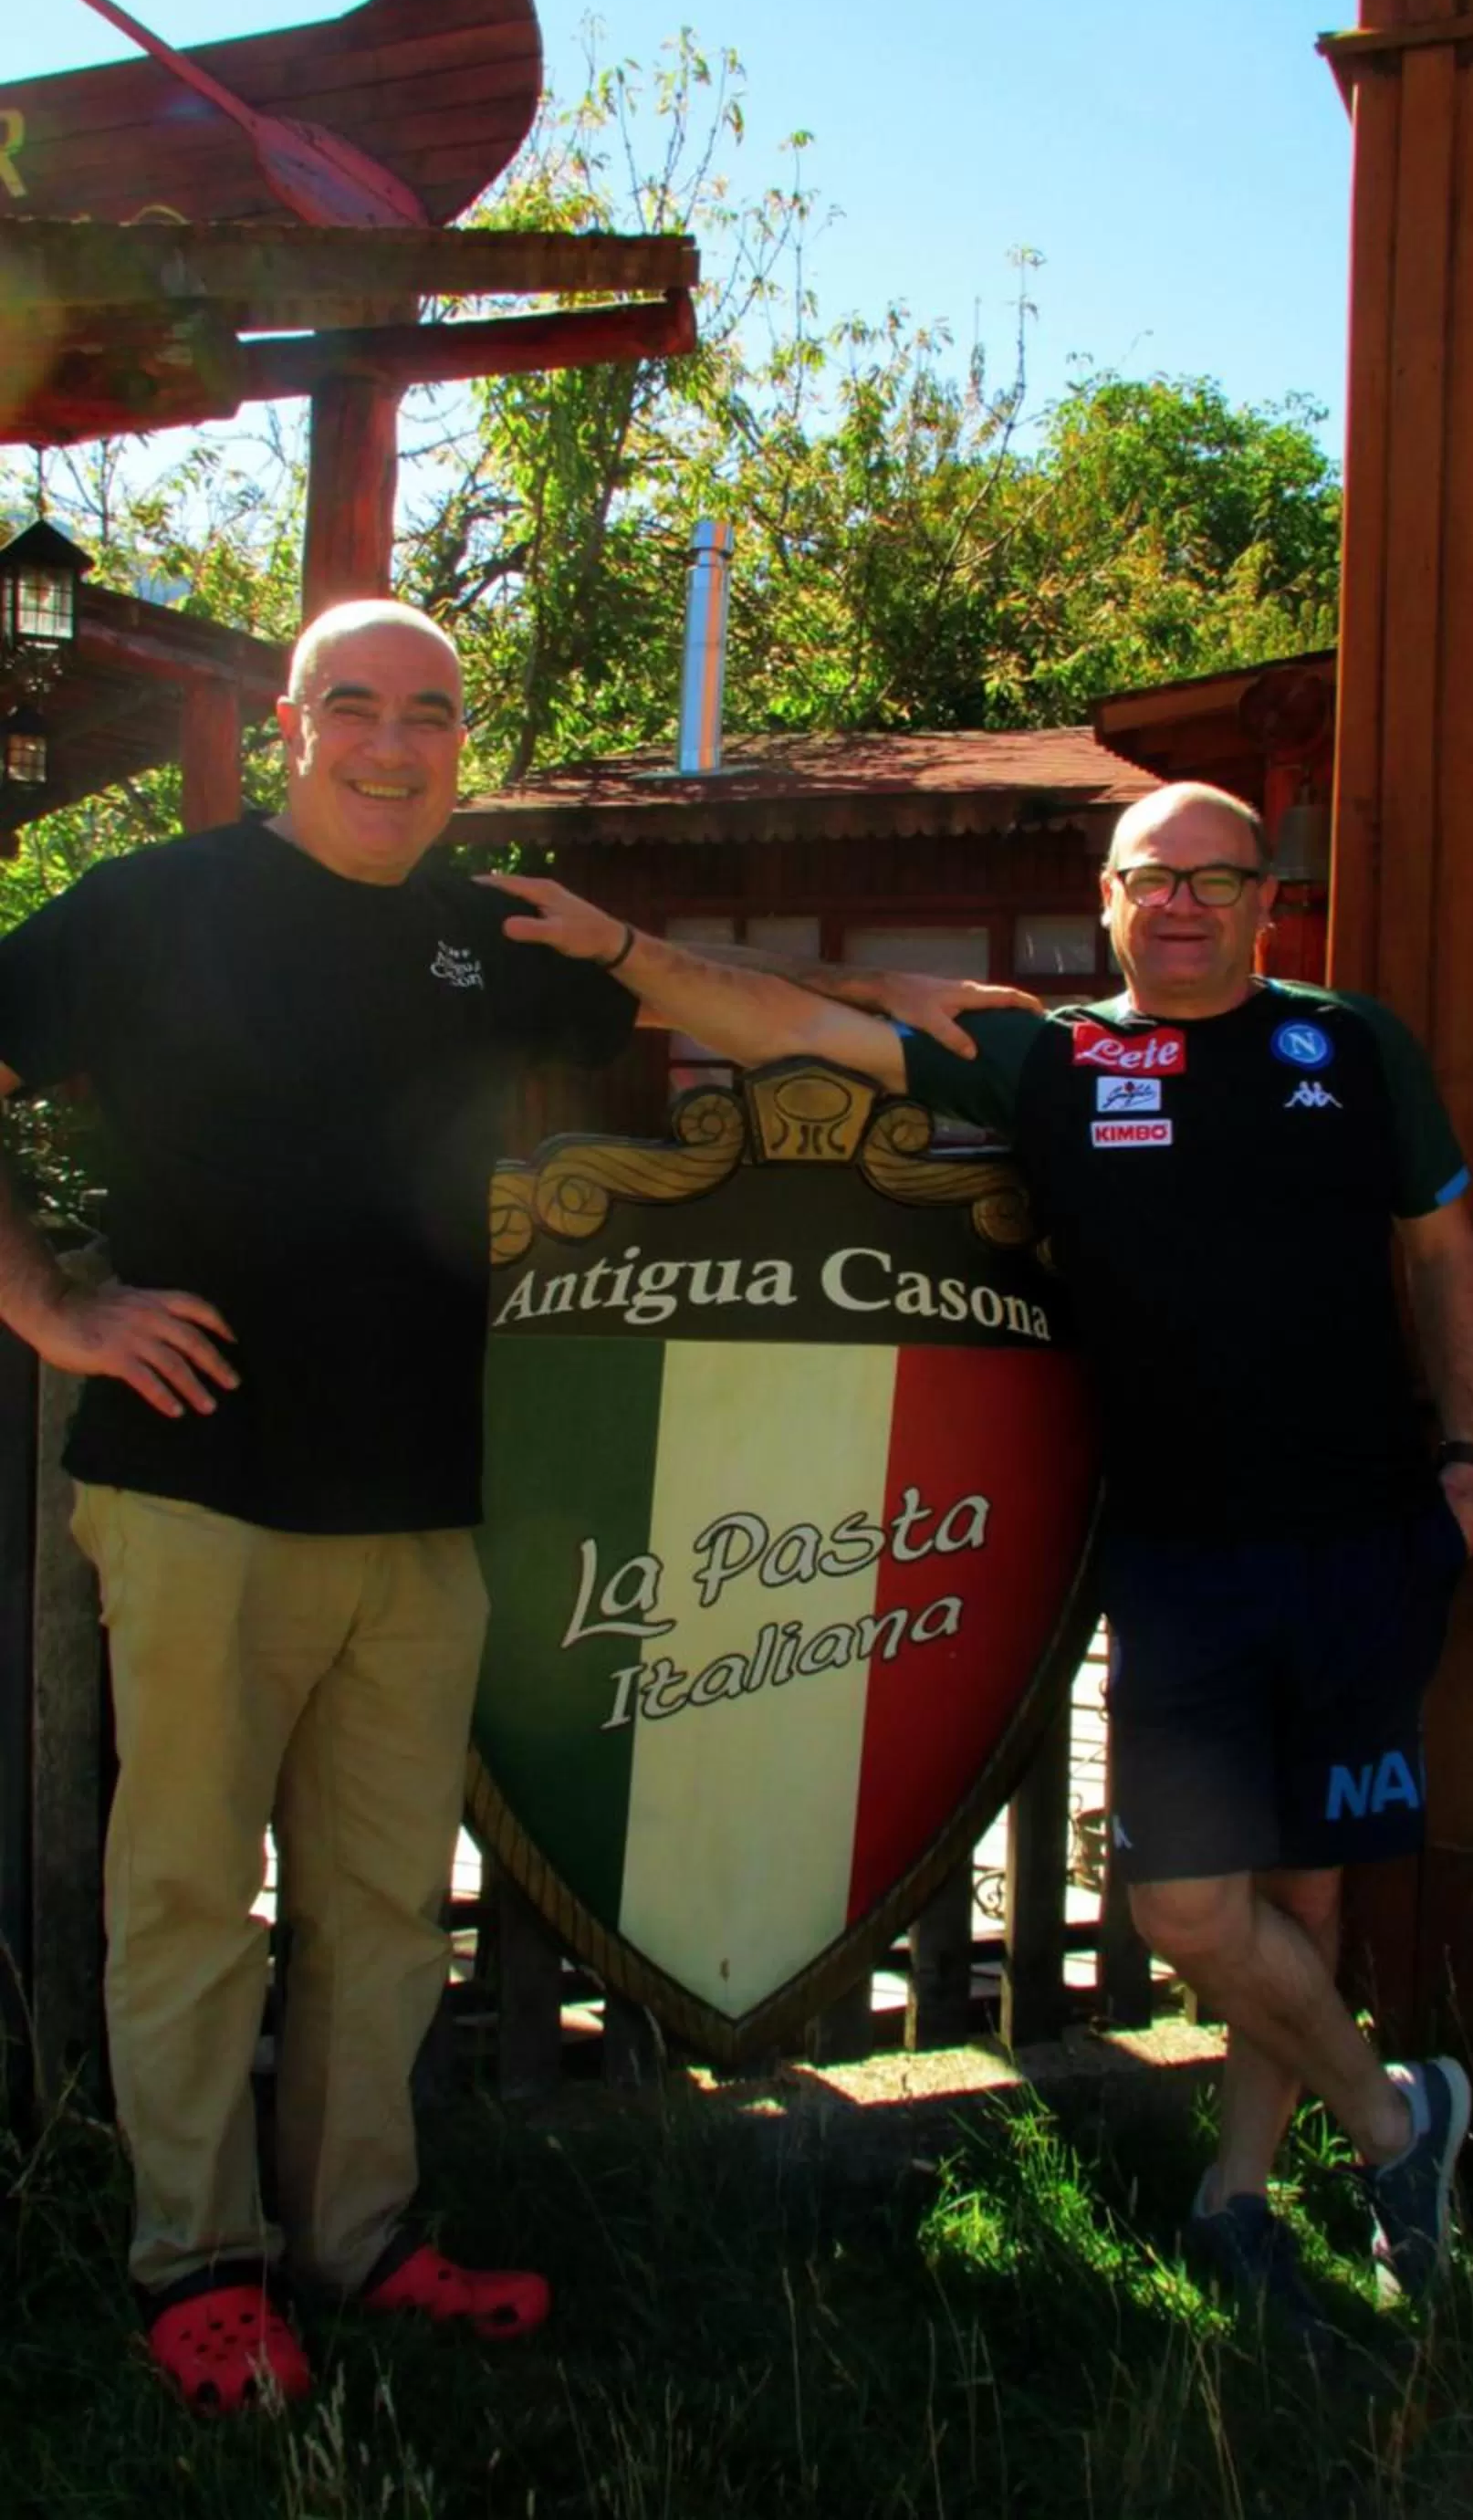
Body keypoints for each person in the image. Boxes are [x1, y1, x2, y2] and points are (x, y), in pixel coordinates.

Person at [0, 598, 1024, 2411]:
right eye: (356, 707)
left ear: (460, 740)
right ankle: (201, 2265)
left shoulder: (482, 932)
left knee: (385, 1911)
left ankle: (362, 2242)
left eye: (431, 713)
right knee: (184, 1904)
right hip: (201, 1489)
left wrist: (889, 1006)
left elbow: (685, 985)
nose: (394, 743)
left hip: (423, 1503)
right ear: (295, 722)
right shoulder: (155, 910)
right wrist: (49, 1303)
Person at [499, 780, 1473, 2347]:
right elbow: (780, 1023)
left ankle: (1238, 2203)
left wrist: (1463, 1458)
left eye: (1213, 881)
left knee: (1303, 1887)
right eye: (1149, 880)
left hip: (1368, 1535)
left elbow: (1442, 1250)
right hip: (1176, 1549)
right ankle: (1395, 2126)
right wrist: (622, 943)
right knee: (1184, 1902)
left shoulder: (1349, 1045)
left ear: (1261, 903)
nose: (1179, 904)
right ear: (1102, 901)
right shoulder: (1046, 1053)